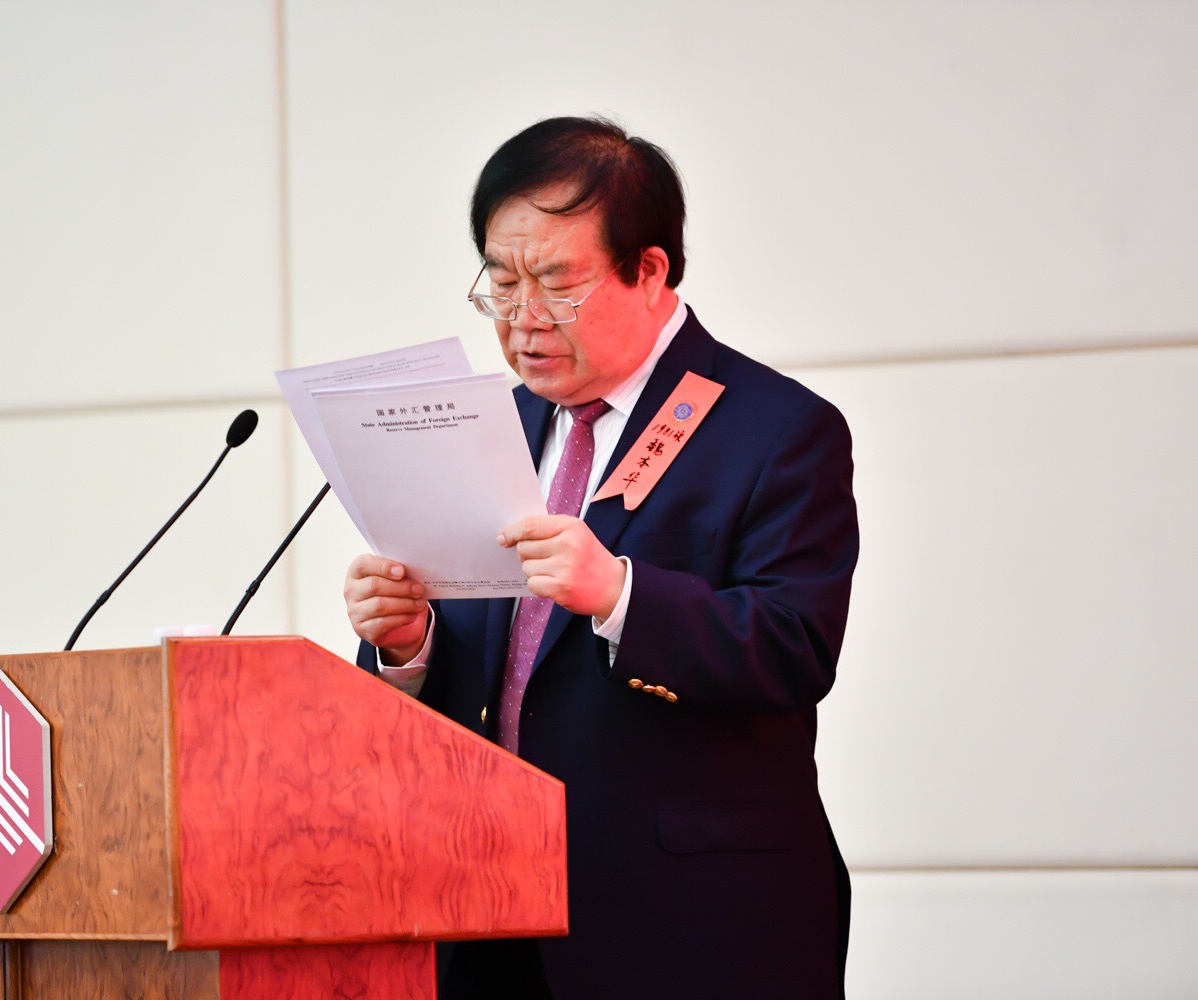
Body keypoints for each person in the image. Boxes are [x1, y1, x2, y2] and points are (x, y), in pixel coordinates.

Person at [344, 116, 859, 1000]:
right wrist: (407, 645)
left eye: (557, 283)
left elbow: (795, 647)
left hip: (689, 926)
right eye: (503, 283)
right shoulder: (494, 427)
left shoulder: (775, 429)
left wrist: (620, 595)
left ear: (649, 271)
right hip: (490, 912)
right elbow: (498, 668)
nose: (525, 319)